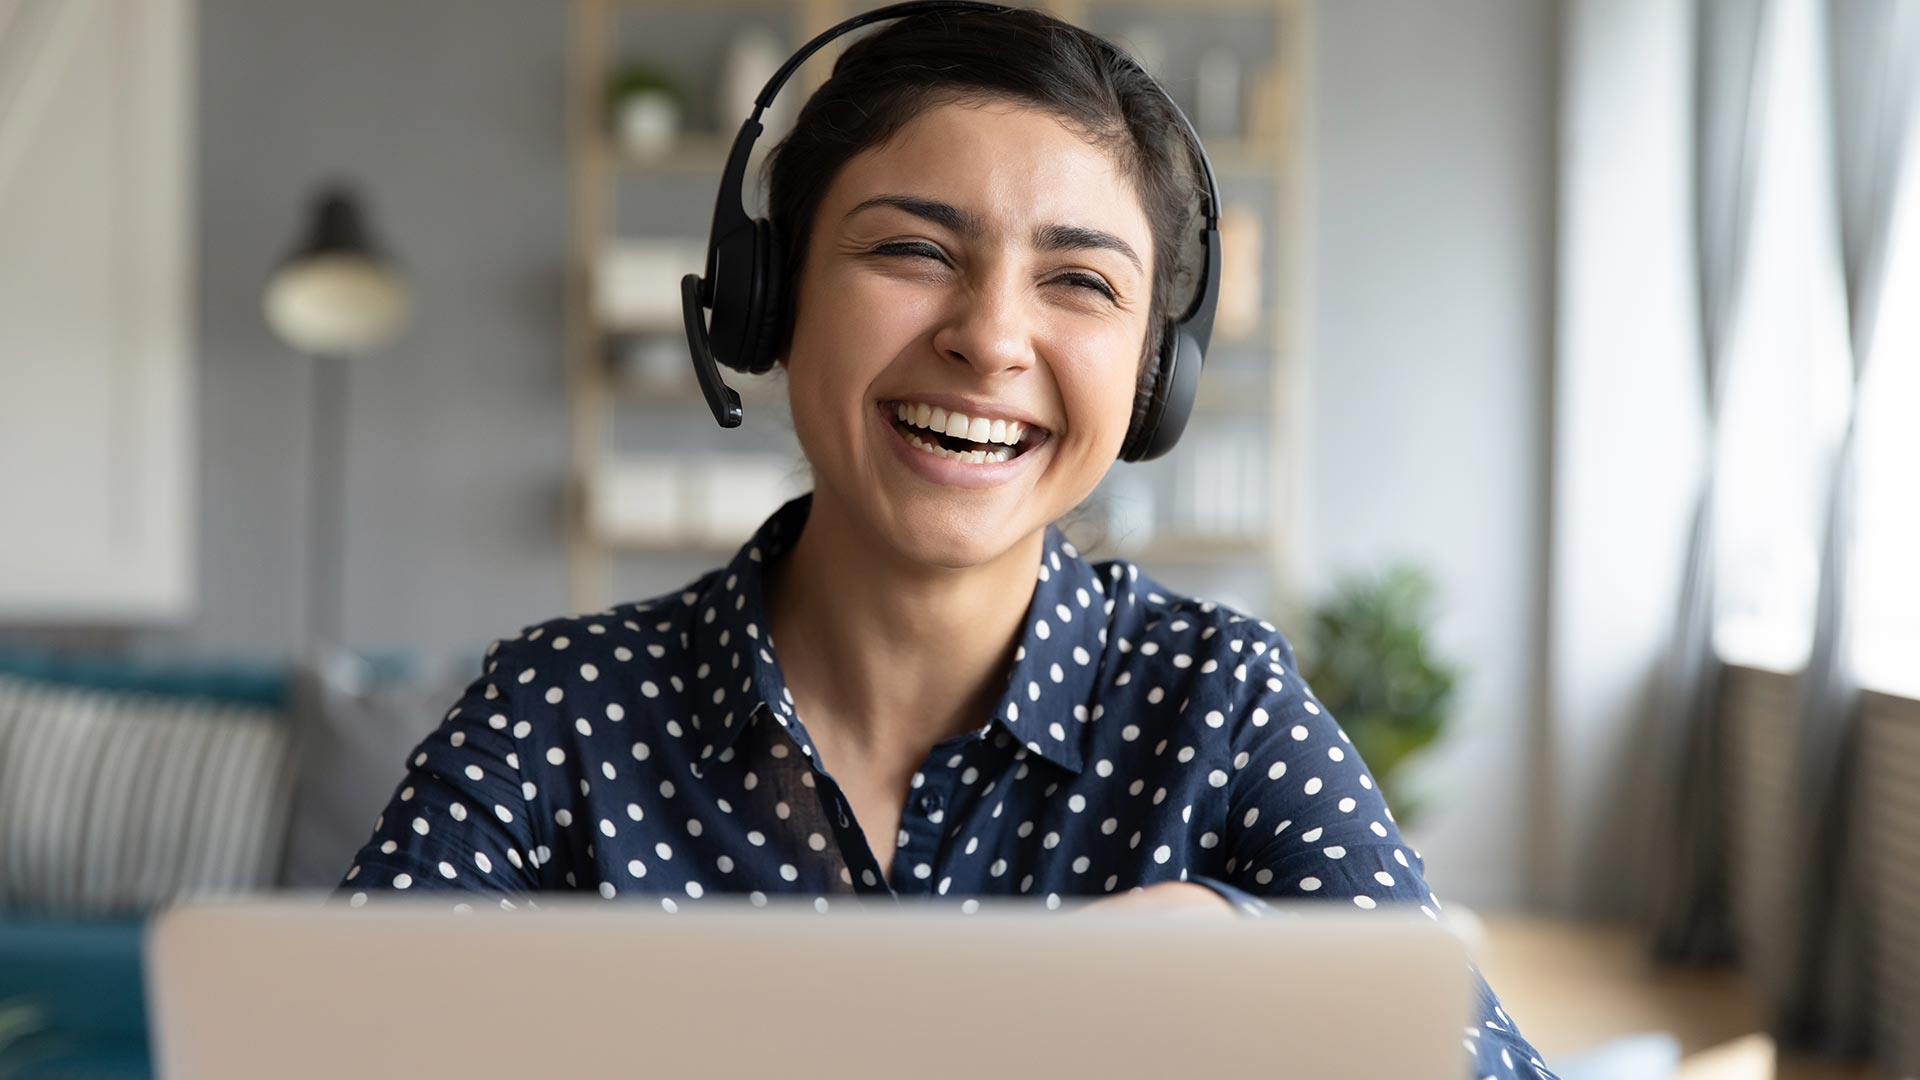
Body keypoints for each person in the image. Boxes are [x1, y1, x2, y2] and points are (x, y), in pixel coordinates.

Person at [336, 7, 1557, 1078]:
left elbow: (1481, 1059)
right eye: (912, 251)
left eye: (1079, 282)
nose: (989, 339)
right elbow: (327, 1041)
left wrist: (1244, 951)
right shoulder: (561, 704)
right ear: (770, 299)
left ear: (1151, 379)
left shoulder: (1219, 704)